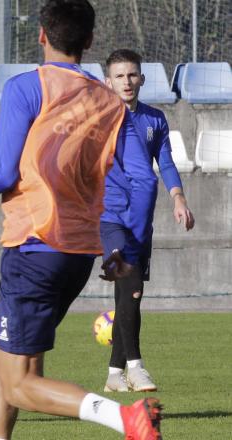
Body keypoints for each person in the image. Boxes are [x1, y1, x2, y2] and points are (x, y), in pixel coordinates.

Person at [0, 1, 162, 439]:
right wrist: (127, 252)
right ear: (88, 42)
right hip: (78, 252)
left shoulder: (27, 87)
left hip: (34, 244)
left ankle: (125, 418)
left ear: (42, 36)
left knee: (19, 383)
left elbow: (3, 171)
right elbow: (142, 179)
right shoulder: (110, 102)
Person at [101, 49, 195, 393]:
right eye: (119, 76)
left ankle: (114, 375)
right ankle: (136, 367)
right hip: (109, 219)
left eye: (132, 75)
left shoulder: (154, 120)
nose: (127, 82)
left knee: (126, 295)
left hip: (141, 222)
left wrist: (178, 198)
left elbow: (166, 163)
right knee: (132, 285)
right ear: (107, 82)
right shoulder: (99, 120)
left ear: (141, 78)